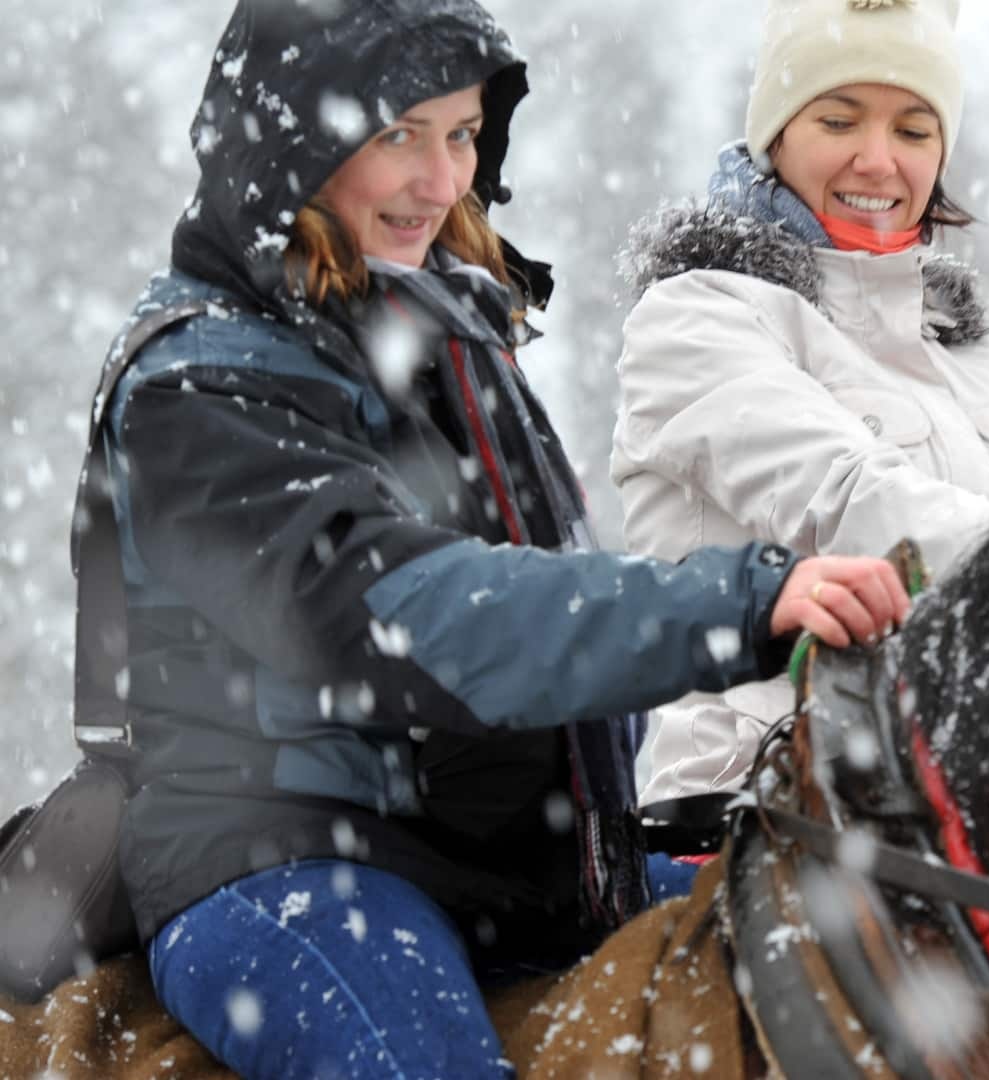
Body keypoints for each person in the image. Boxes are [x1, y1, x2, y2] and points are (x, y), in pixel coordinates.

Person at [92, 2, 907, 1077]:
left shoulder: (453, 334)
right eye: (398, 135)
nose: (441, 180)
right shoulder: (199, 385)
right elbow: (420, 617)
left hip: (509, 876)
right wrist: (738, 606)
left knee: (888, 925)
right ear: (293, 138)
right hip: (281, 870)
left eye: (462, 134)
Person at [612, 0, 989, 807]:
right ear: (776, 134)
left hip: (969, 808)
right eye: (839, 119)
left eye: (913, 130)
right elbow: (851, 501)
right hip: (755, 814)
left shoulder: (975, 354)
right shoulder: (697, 319)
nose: (877, 161)